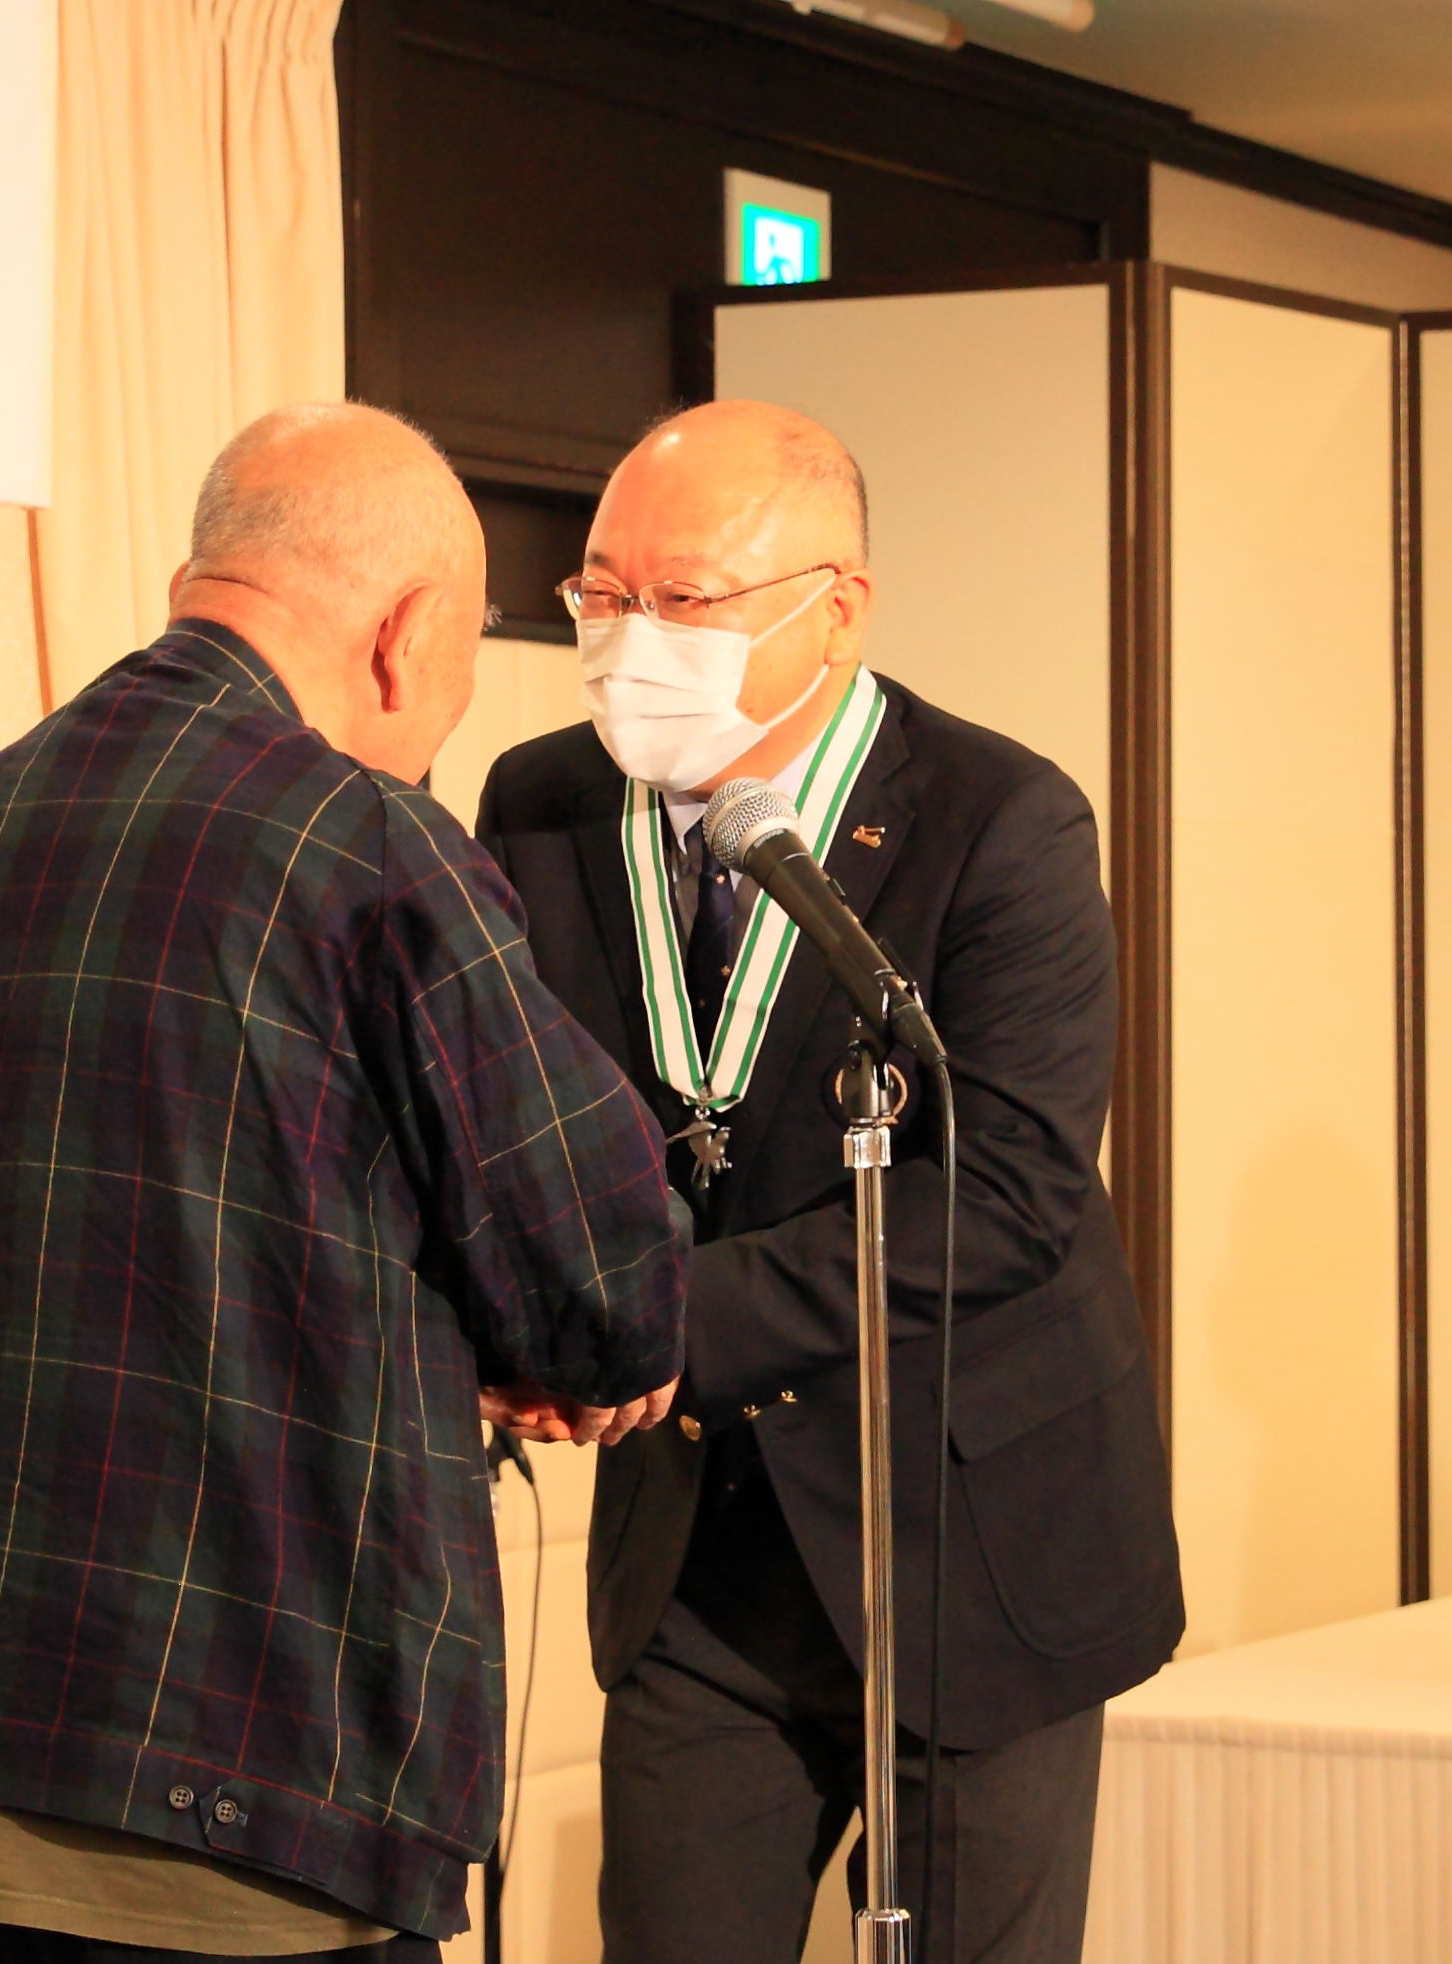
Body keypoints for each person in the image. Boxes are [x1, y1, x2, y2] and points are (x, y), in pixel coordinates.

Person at [0, 403, 691, 1962]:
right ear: (406, 633)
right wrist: (527, 1348)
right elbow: (605, 1282)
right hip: (244, 1759)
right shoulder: (369, 843)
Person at [475, 401, 1184, 1964]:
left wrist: (654, 1327)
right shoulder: (539, 801)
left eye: (685, 598)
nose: (630, 639)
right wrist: (518, 1321)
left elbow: (1003, 1195)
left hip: (968, 1530)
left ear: (836, 609)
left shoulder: (1000, 820)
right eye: (601, 592)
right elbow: (521, 1122)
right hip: (697, 1552)